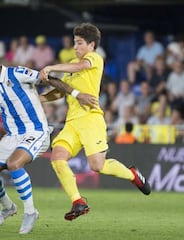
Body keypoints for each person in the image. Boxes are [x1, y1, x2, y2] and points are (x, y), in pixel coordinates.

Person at [0, 49, 92, 234]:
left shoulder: (17, 73)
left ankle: (30, 212)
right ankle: (7, 208)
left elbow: (49, 79)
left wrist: (77, 94)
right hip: (12, 136)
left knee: (14, 164)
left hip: (36, 131)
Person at [39, 22, 151, 221]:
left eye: (80, 43)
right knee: (57, 158)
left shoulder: (94, 59)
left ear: (91, 45)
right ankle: (78, 201)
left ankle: (133, 175)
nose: (76, 47)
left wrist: (51, 67)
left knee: (97, 166)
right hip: (72, 123)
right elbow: (59, 91)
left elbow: (80, 66)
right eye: (74, 42)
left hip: (91, 119)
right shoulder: (71, 66)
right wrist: (38, 99)